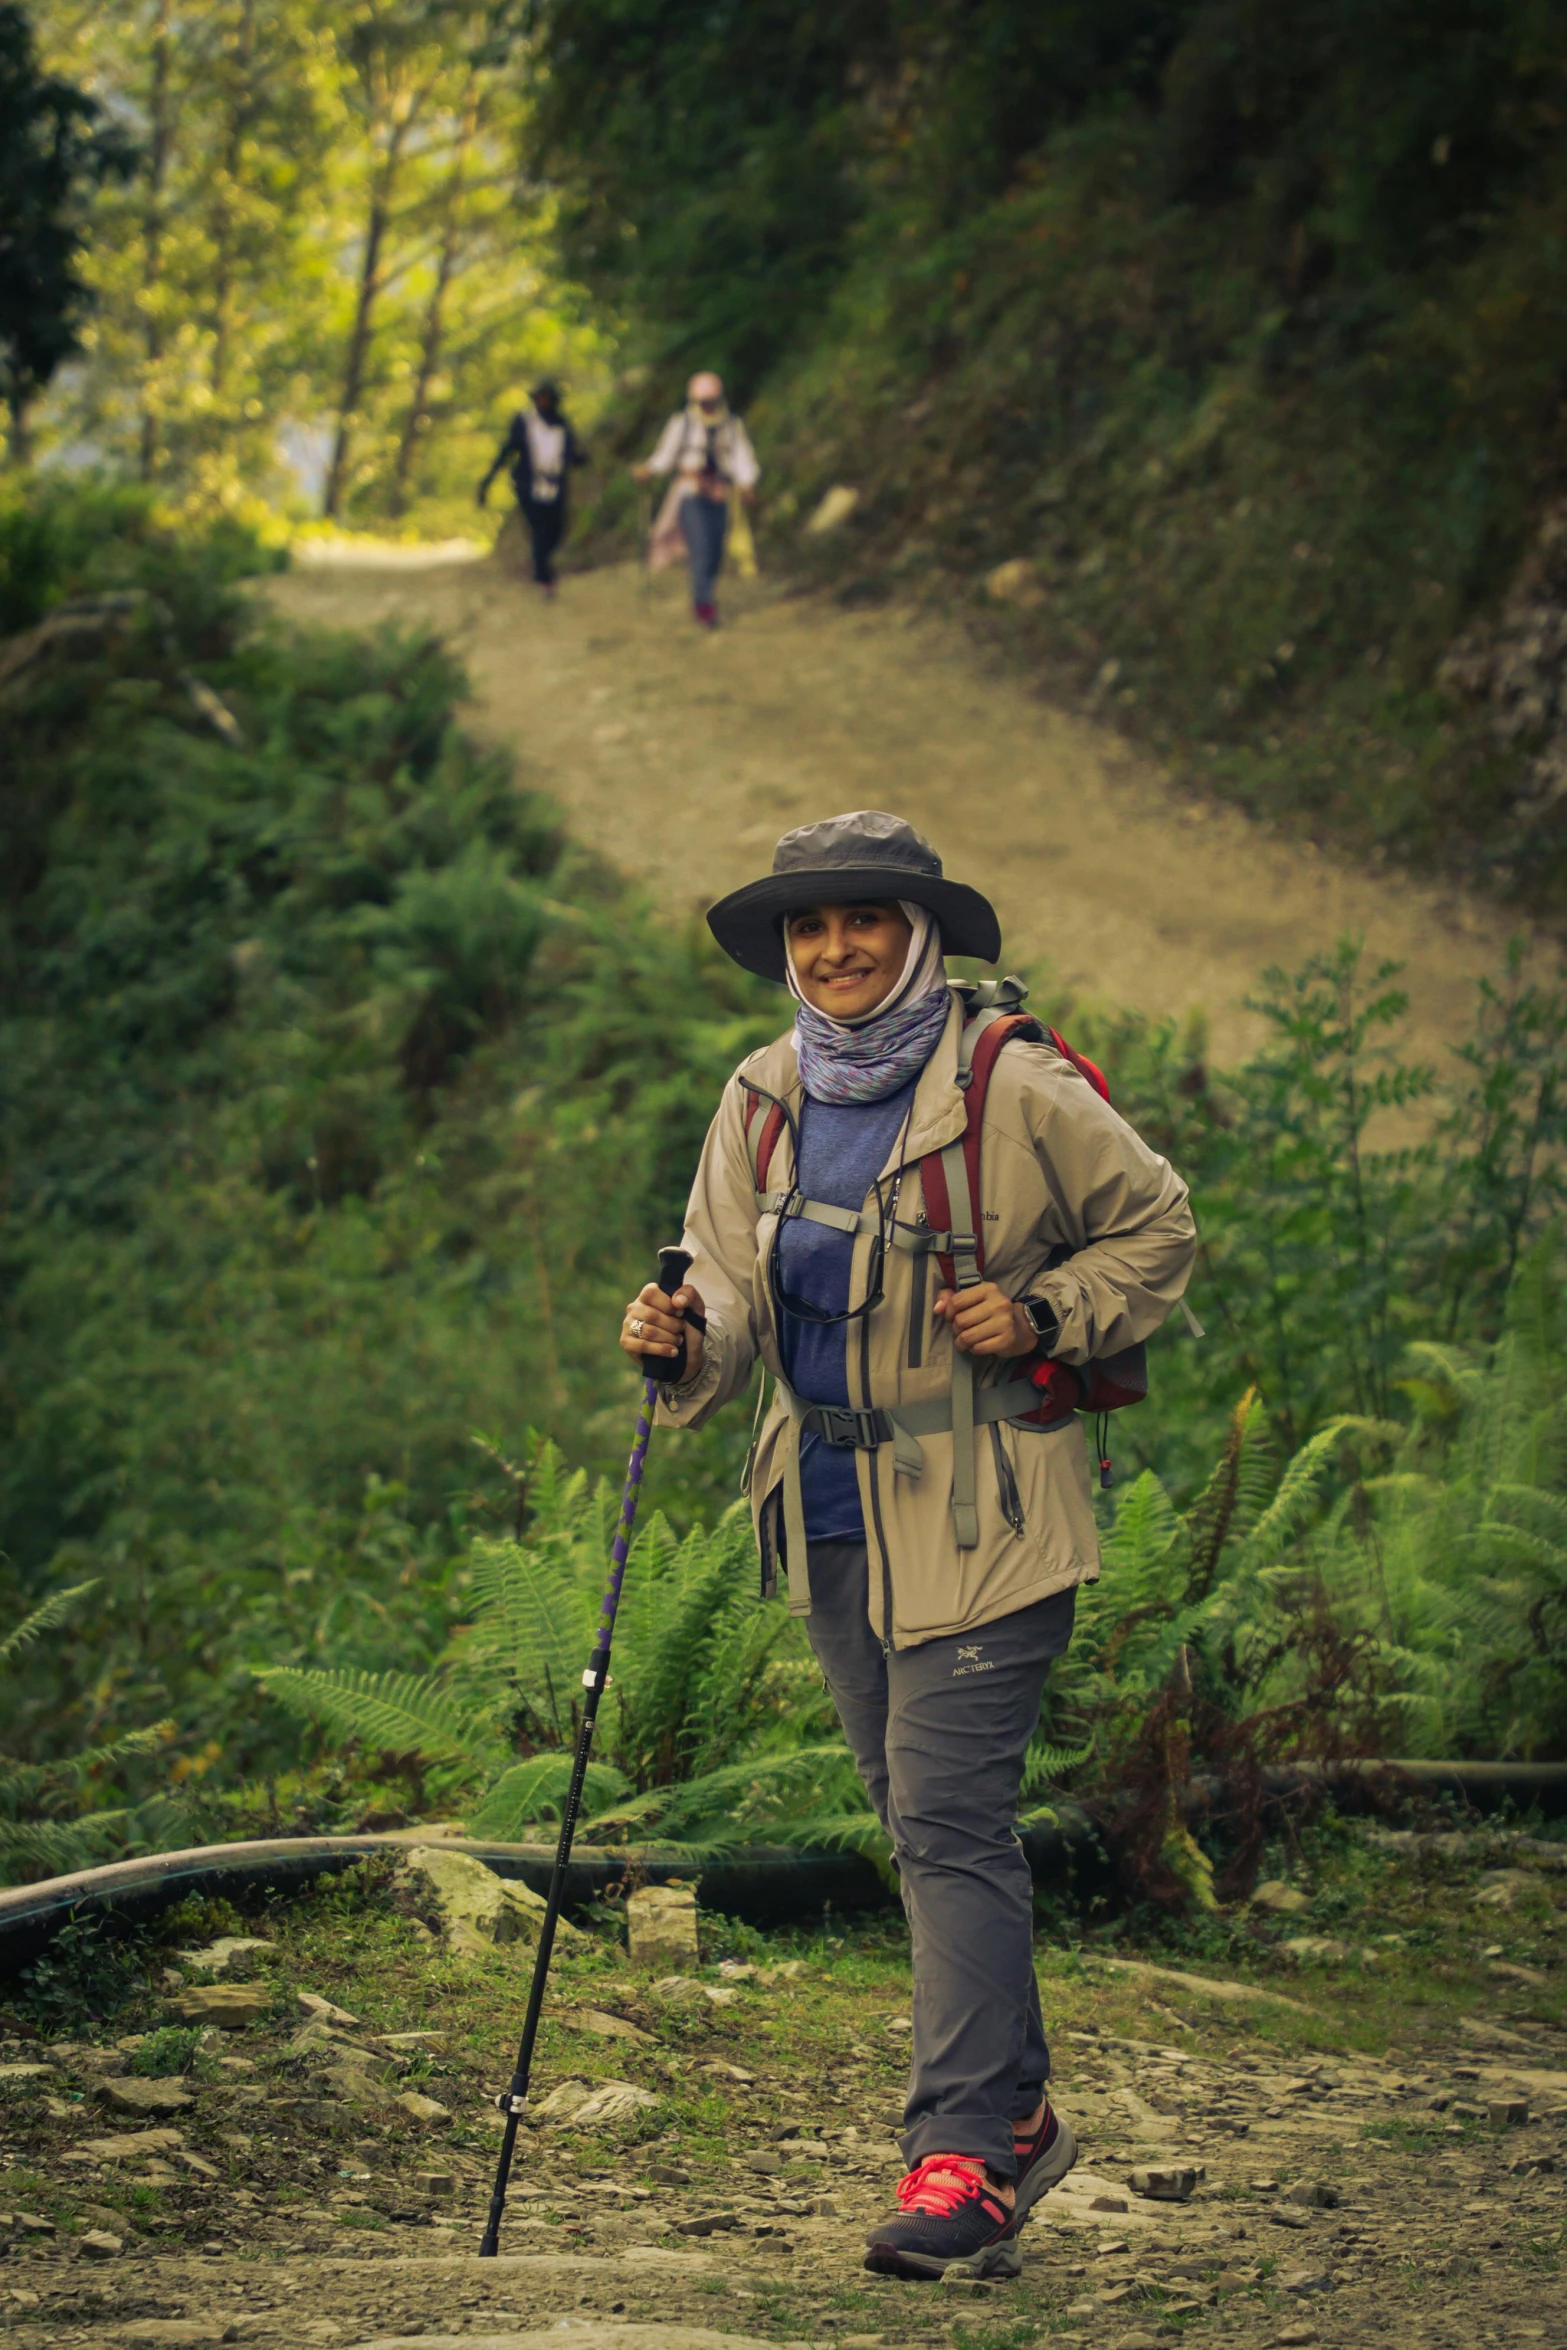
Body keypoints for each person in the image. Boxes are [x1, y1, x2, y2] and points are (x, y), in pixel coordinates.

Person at [619, 811, 1196, 2281]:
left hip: (985, 1509)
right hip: (820, 1515)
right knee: (923, 1828)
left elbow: (1155, 1228)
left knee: (944, 1823)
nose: (833, 949)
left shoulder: (1009, 1081)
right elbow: (727, 1296)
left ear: (917, 929)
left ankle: (960, 2165)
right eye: (807, 931)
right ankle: (1020, 2112)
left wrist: (1046, 1313)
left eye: (860, 919)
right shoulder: (759, 1096)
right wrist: (675, 1335)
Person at [634, 369, 759, 628]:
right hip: (690, 493)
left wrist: (747, 483)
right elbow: (665, 455)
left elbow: (741, 456)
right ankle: (704, 604)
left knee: (715, 549)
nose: (708, 406)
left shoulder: (731, 425)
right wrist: (649, 469)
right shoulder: (682, 424)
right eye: (703, 401)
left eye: (711, 400)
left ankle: (705, 592)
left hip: (721, 493)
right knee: (700, 548)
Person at [477, 380, 587, 596]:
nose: (543, 403)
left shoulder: (562, 425)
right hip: (529, 485)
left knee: (556, 529)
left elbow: (571, 454)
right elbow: (508, 451)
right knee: (539, 529)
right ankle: (543, 576)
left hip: (555, 486)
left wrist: (580, 459)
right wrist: (487, 481)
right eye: (540, 399)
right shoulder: (524, 422)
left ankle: (544, 568)